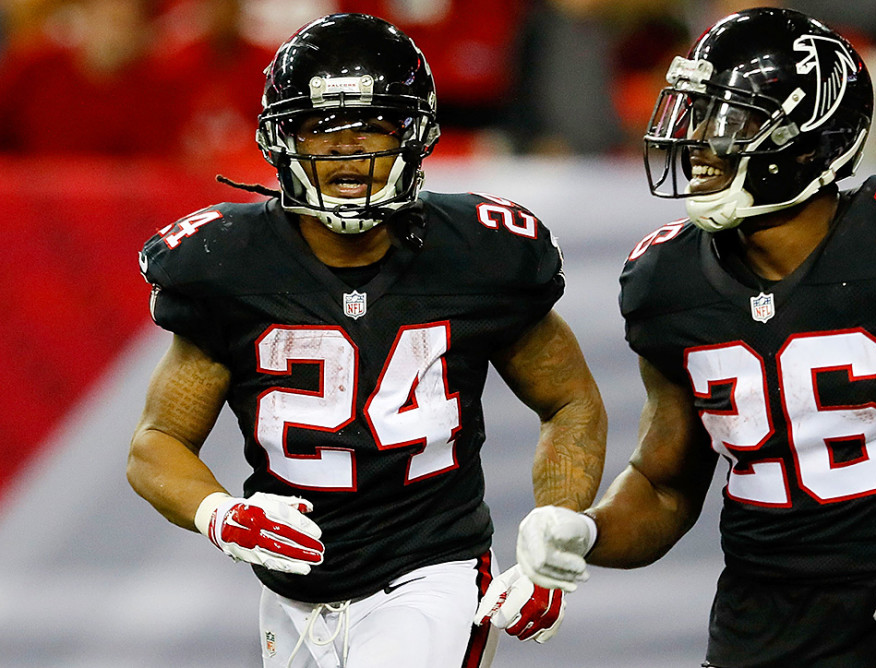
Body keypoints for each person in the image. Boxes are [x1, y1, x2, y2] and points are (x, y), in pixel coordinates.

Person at [503, 7, 876, 667]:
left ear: (807, 141)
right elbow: (666, 484)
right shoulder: (667, 280)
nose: (697, 140)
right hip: (755, 628)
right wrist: (587, 530)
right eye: (697, 113)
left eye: (731, 119)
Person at [126, 13, 606, 668]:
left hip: (432, 572)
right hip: (293, 596)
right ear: (281, 136)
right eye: (321, 127)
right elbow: (157, 442)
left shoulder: (477, 255)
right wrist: (220, 515)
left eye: (373, 125)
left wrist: (556, 525)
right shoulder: (230, 264)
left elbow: (571, 401)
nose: (348, 148)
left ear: (414, 134)